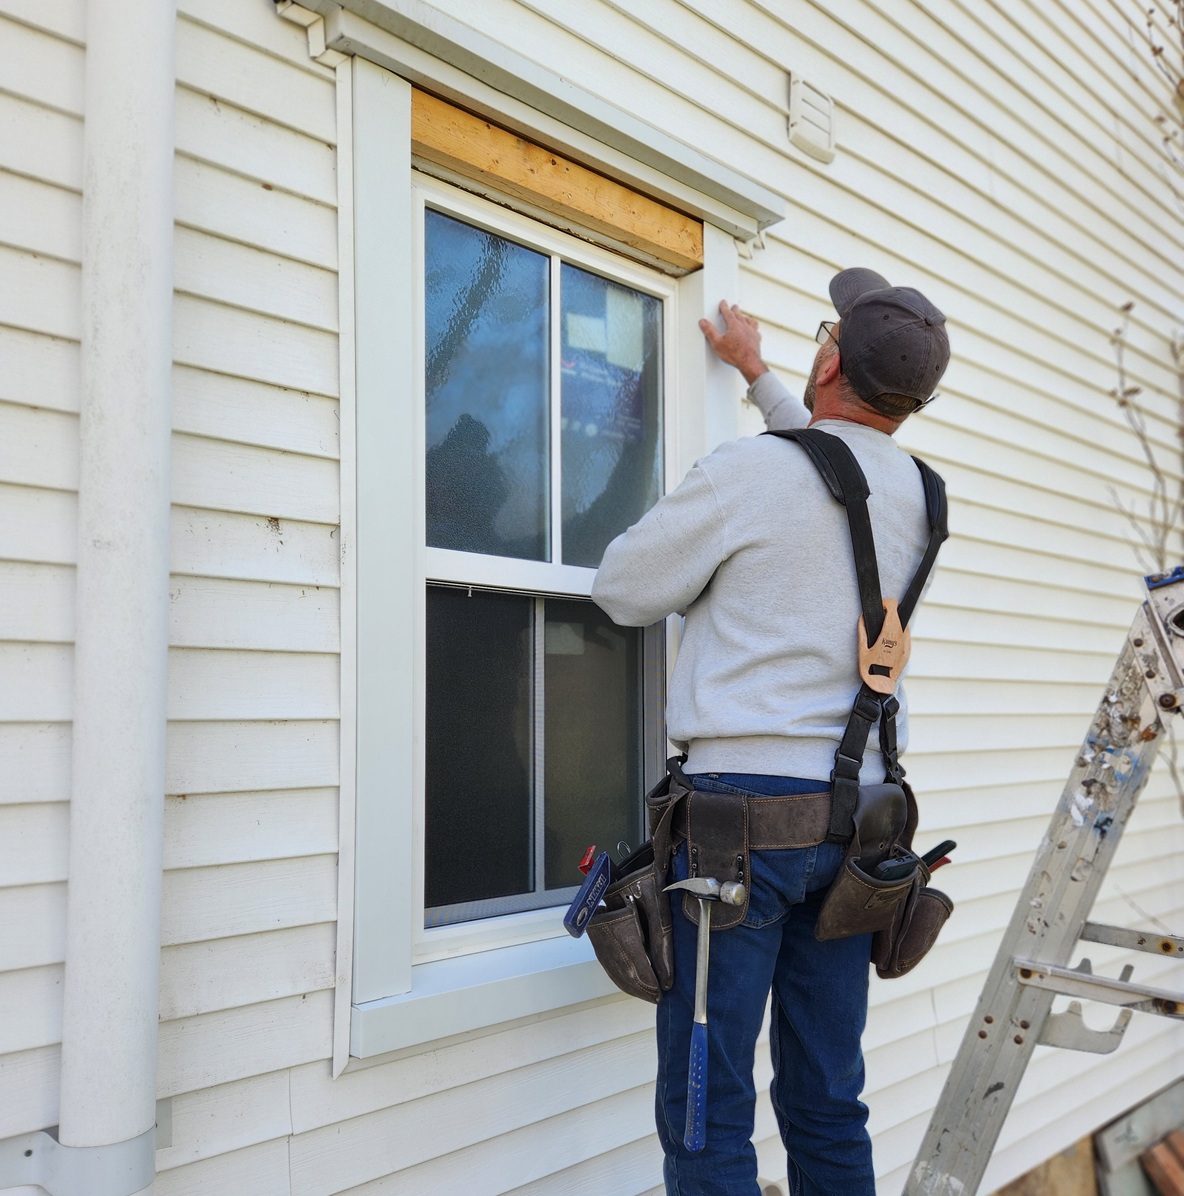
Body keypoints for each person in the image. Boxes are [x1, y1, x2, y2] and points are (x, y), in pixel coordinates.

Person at [591, 268, 951, 1196]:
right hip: (858, 826)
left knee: (708, 1111)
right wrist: (756, 374)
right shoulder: (922, 494)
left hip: (737, 833)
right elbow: (831, 469)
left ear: (830, 360)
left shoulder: (749, 474)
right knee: (829, 1098)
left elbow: (623, 589)